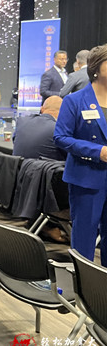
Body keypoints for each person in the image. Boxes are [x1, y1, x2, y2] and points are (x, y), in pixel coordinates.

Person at [54, 44, 107, 266]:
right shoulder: (74, 100)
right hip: (87, 179)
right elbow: (61, 137)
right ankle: (81, 284)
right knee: (84, 239)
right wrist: (97, 151)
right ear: (96, 67)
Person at [12, 95, 66, 161]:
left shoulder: (22, 121)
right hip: (43, 167)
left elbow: (15, 141)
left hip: (17, 166)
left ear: (41, 109)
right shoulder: (59, 129)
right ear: (63, 112)